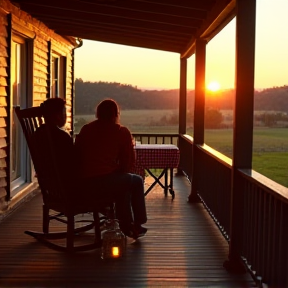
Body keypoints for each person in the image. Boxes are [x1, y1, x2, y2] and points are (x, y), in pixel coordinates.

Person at [75, 98, 147, 239]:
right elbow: (128, 163)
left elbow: (77, 155)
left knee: (123, 185)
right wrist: (119, 170)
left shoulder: (86, 129)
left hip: (83, 183)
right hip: (103, 182)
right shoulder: (121, 132)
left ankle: (127, 225)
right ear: (116, 114)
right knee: (136, 181)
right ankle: (137, 223)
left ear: (98, 114)